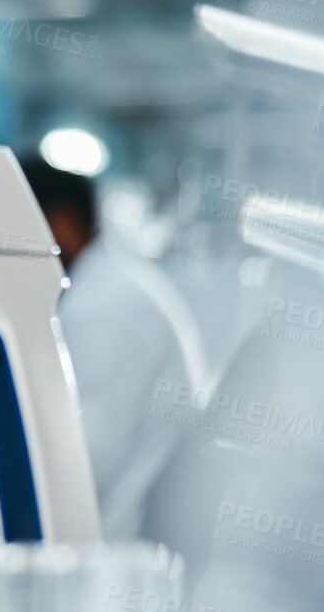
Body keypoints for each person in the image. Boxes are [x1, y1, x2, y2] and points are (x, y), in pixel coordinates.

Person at [21, 158, 207, 538]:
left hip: (117, 556)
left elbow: (83, 464)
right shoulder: (100, 292)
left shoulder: (111, 309)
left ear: (62, 225)